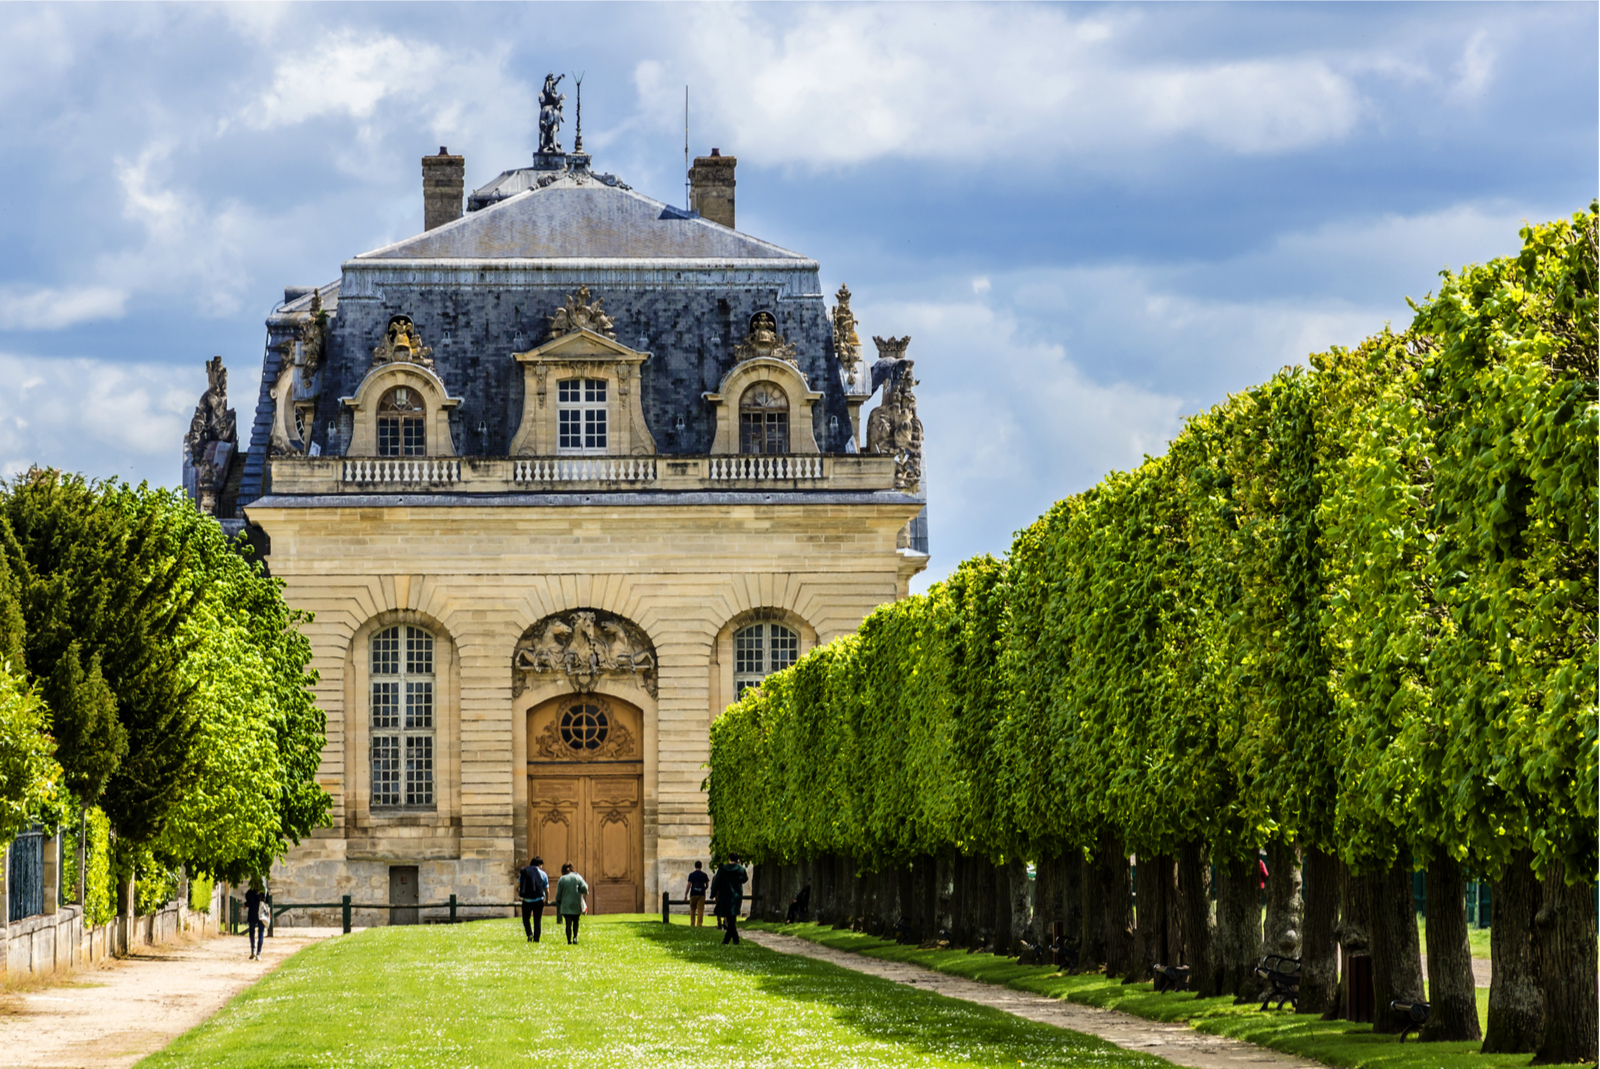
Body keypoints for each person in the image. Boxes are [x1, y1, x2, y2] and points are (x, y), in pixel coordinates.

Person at [708, 854, 748, 946]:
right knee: (731, 919)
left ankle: (733, 939)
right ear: (738, 860)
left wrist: (712, 894)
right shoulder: (741, 870)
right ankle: (731, 940)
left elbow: (716, 883)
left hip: (725, 896)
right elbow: (744, 880)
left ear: (729, 859)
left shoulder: (722, 870)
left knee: (730, 919)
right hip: (736, 896)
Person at [554, 863, 589, 945]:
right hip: (576, 903)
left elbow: (558, 894)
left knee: (568, 924)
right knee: (576, 922)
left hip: (566, 904)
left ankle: (569, 940)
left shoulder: (562, 879)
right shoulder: (577, 877)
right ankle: (575, 937)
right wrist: (582, 892)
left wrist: (559, 900)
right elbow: (585, 887)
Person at [517, 855, 549, 942]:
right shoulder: (543, 874)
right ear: (539, 864)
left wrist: (520, 895)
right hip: (538, 900)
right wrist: (547, 899)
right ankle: (536, 939)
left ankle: (529, 934)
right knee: (537, 920)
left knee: (526, 918)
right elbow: (546, 889)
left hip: (526, 900)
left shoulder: (524, 871)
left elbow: (519, 885)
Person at [245, 878, 271, 961]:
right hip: (261, 915)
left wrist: (245, 904)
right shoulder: (265, 892)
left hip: (252, 914)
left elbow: (248, 902)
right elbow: (267, 904)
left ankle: (253, 949)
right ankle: (258, 953)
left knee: (252, 933)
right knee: (261, 933)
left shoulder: (249, 892)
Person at [685, 861, 710, 927]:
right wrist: (704, 889)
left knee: (692, 909)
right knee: (700, 909)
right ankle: (699, 924)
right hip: (701, 894)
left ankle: (692, 923)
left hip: (693, 894)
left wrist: (686, 894)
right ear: (701, 866)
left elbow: (689, 885)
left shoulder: (691, 875)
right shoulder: (704, 875)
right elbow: (707, 885)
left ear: (695, 866)